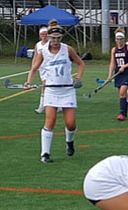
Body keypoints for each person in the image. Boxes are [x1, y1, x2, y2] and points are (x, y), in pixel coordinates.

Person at [25, 20, 85, 163]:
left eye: (58, 38)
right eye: (53, 38)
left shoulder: (67, 49)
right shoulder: (43, 51)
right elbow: (34, 67)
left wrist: (78, 78)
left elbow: (81, 64)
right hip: (51, 90)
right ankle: (45, 154)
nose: (56, 41)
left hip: (67, 90)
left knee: (70, 124)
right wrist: (29, 81)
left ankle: (69, 142)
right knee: (50, 122)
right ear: (49, 38)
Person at [107, 28, 128, 121]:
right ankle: (125, 113)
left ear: (123, 39)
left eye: (121, 39)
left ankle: (121, 113)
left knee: (123, 92)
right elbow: (112, 63)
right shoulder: (114, 50)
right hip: (118, 73)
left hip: (126, 73)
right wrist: (110, 75)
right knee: (122, 95)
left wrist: (124, 66)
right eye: (117, 39)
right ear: (115, 40)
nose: (119, 41)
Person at [32, 26, 49, 114]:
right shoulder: (38, 45)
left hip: (50, 68)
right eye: (42, 34)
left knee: (45, 86)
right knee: (48, 86)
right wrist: (33, 67)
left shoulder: (51, 43)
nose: (44, 36)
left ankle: (42, 105)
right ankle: (58, 105)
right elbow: (35, 56)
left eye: (46, 34)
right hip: (42, 68)